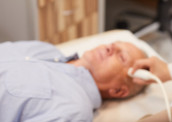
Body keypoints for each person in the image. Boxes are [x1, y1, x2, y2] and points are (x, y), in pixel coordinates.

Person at [0, 39, 147, 122]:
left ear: (118, 90)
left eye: (121, 57)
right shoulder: (44, 49)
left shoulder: (74, 110)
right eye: (113, 44)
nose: (109, 47)